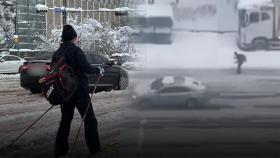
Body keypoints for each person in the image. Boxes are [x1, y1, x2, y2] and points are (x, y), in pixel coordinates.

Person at [52, 25, 102, 157]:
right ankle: (94, 149)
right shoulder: (76, 50)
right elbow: (86, 68)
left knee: (65, 121)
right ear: (74, 38)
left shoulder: (57, 53)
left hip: (65, 93)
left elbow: (53, 72)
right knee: (90, 120)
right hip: (79, 92)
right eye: (76, 38)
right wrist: (99, 70)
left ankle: (60, 151)